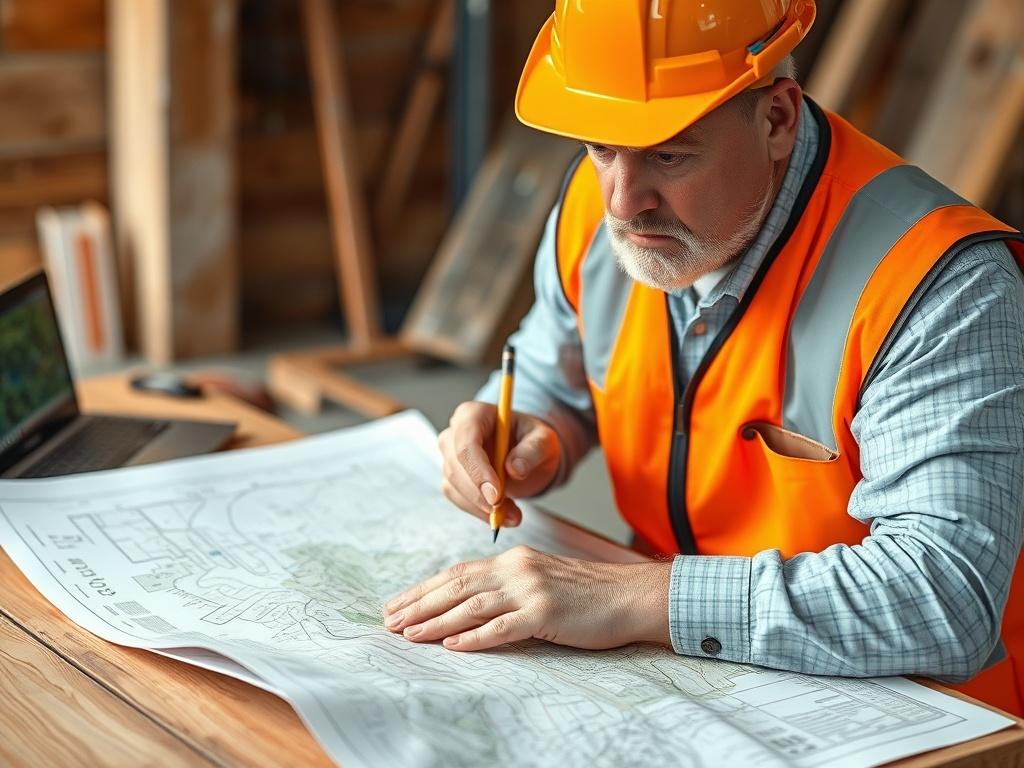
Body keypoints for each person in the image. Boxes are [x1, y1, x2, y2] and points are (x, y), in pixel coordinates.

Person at [382, 0, 1024, 714]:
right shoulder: (598, 219)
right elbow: (549, 366)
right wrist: (532, 430)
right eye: (599, 146)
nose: (625, 203)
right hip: (682, 681)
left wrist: (636, 596)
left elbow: (944, 599)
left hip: (923, 718)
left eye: (668, 153)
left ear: (776, 118)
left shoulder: (938, 285)